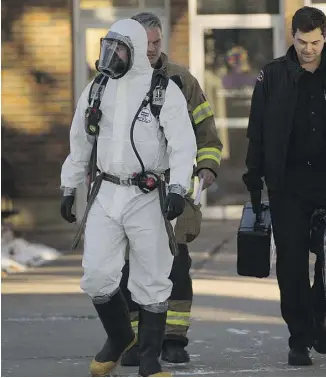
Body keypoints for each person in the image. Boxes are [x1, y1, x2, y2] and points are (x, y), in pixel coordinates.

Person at [59, 18, 197, 377]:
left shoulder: (163, 90)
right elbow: (80, 141)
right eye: (109, 46)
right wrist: (68, 186)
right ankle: (120, 337)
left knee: (152, 278)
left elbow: (184, 145)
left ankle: (149, 362)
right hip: (105, 193)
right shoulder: (97, 89)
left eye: (119, 48)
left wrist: (179, 188)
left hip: (147, 196)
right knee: (96, 275)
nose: (111, 55)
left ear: (134, 51)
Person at [242, 6, 326, 366]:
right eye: (301, 42)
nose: (307, 49)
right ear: (293, 36)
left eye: (314, 42)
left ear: (325, 36)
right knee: (291, 264)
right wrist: (254, 180)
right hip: (287, 186)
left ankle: (319, 312)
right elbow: (257, 133)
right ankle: (299, 337)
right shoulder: (272, 76)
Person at [117, 12, 223, 366]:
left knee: (175, 265)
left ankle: (173, 338)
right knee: (129, 268)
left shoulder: (180, 79)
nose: (151, 50)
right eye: (144, 43)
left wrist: (207, 166)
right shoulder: (114, 79)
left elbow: (205, 129)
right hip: (129, 192)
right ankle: (135, 340)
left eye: (156, 42)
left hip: (171, 187)